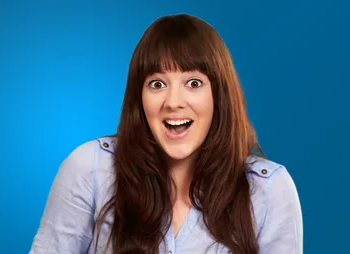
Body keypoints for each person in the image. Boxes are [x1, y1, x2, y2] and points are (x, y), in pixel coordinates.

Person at [28, 13, 303, 254]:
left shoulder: (268, 190)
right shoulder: (90, 169)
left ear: (219, 96)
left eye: (193, 83)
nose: (173, 101)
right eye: (157, 83)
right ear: (139, 97)